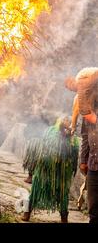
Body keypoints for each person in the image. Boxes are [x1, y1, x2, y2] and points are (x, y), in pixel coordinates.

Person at [21, 117, 79, 223]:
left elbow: (73, 156)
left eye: (69, 123)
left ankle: (64, 217)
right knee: (36, 191)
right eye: (65, 121)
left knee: (62, 195)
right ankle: (27, 211)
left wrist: (68, 139)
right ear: (59, 123)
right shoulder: (50, 132)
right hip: (44, 169)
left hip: (61, 174)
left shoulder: (73, 140)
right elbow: (46, 147)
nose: (68, 124)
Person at [65, 68, 98, 223]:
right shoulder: (89, 110)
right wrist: (83, 161)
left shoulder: (91, 113)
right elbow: (85, 136)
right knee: (93, 209)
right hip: (94, 164)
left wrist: (94, 119)